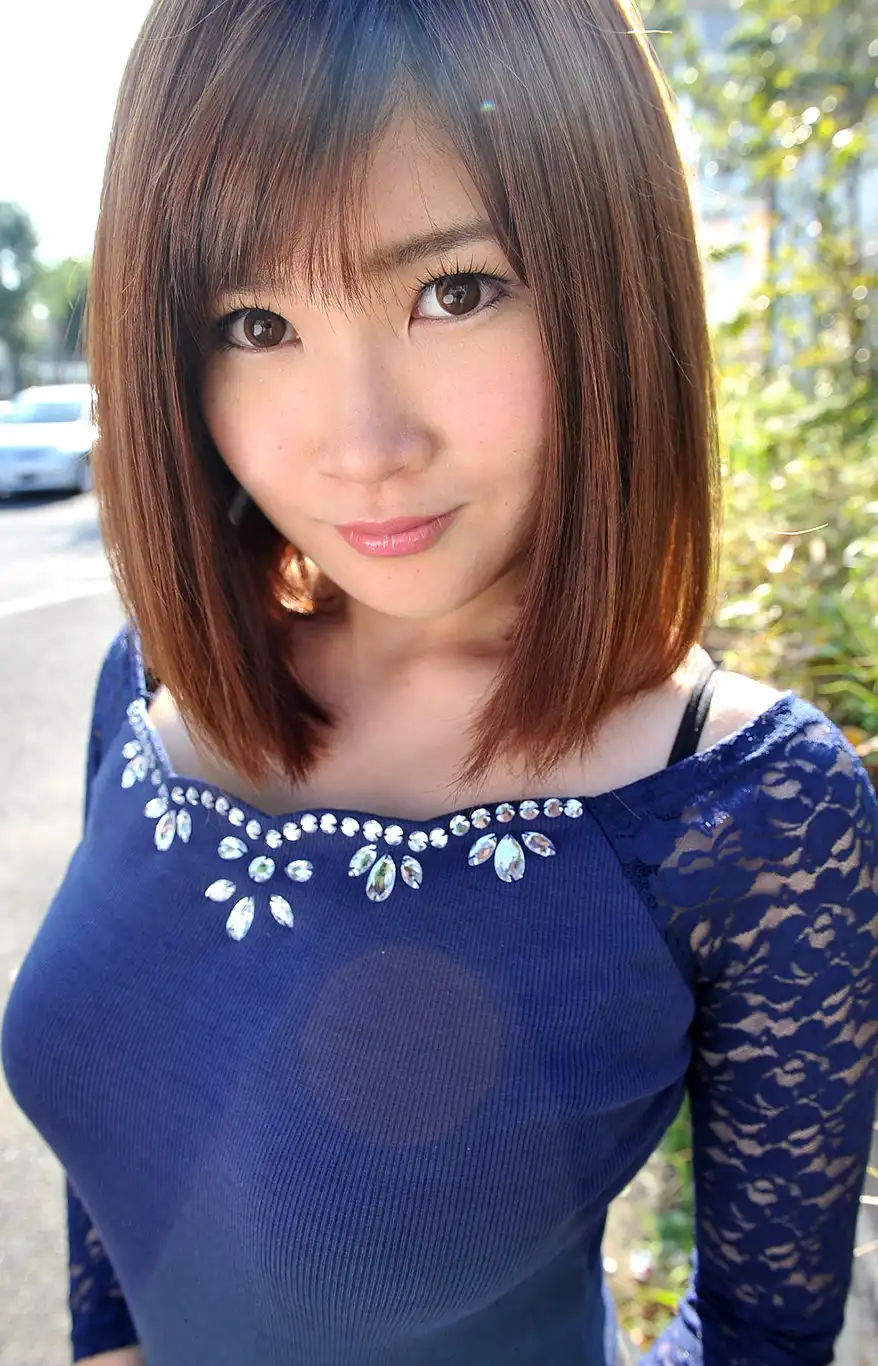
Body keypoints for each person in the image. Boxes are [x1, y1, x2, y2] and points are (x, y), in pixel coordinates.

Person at [3, 0, 877, 1362]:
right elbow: (118, 1157)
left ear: (612, 281)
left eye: (454, 291)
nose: (362, 446)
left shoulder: (742, 813)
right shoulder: (155, 680)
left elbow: (759, 1335)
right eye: (254, 320)